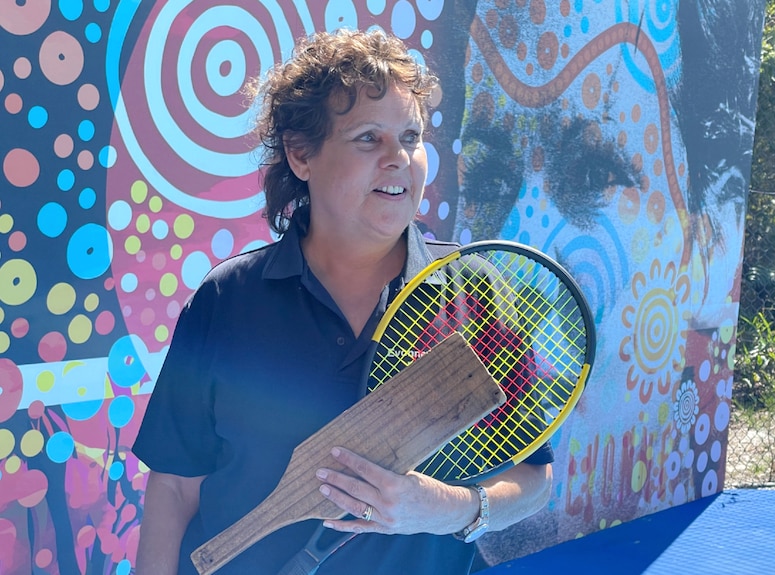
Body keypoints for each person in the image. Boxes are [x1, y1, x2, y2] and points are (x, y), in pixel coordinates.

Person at [132, 28, 553, 575]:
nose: (399, 158)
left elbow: (534, 479)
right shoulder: (227, 300)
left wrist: (450, 509)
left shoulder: (473, 290)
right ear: (300, 154)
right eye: (368, 139)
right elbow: (174, 488)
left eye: (411, 136)